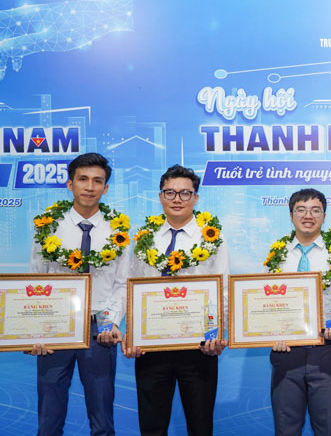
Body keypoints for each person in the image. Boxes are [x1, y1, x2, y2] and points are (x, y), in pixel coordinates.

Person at [122, 164, 230, 436]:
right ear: (160, 196)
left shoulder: (213, 238)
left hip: (199, 346)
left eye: (185, 193)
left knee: (200, 425)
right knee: (152, 425)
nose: (177, 199)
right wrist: (132, 333)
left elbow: (222, 289)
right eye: (170, 192)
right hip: (152, 346)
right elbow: (132, 286)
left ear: (196, 197)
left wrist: (218, 333)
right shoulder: (145, 238)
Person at [28, 152, 130, 436]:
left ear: (105, 188)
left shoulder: (118, 230)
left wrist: (110, 323)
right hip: (55, 329)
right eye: (83, 179)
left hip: (100, 332)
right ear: (70, 184)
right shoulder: (47, 226)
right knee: (49, 421)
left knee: (102, 421)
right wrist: (35, 330)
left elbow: (122, 283)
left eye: (97, 181)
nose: (89, 187)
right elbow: (35, 280)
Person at [264, 188, 331, 436]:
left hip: (327, 351)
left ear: (324, 216)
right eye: (301, 210)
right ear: (291, 215)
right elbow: (265, 303)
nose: (308, 216)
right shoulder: (277, 256)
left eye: (316, 210)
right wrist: (272, 332)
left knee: (327, 429)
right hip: (286, 352)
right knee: (286, 429)